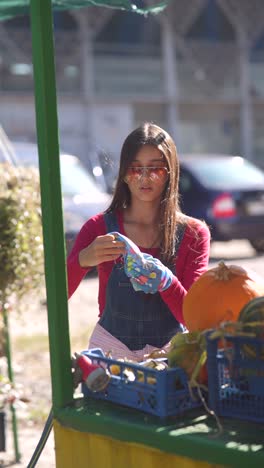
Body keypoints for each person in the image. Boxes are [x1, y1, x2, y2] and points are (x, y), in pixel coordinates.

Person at [67, 122, 211, 361]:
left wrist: (167, 283)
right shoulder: (98, 227)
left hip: (171, 356)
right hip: (110, 354)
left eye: (156, 169)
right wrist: (82, 260)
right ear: (123, 173)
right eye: (136, 169)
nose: (145, 178)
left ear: (171, 173)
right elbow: (56, 298)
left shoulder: (194, 234)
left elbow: (194, 318)